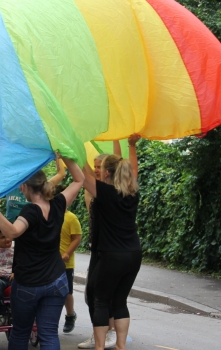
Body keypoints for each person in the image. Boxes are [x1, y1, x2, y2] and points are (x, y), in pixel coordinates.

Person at [0, 155, 84, 350]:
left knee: (21, 332)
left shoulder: (30, 211)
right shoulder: (58, 204)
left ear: (24, 186)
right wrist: (65, 155)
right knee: (48, 333)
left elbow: (13, 232)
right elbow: (79, 179)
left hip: (28, 283)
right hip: (57, 279)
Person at [82, 135, 142, 350]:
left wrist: (72, 151)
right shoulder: (132, 193)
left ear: (107, 173)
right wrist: (131, 146)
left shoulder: (105, 192)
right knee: (120, 302)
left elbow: (81, 173)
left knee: (100, 300)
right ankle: (120, 346)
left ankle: (99, 346)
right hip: (134, 254)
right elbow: (131, 171)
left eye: (101, 168)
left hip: (111, 255)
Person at [5, 156, 66, 222]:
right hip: (9, 229)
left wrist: (57, 155)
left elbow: (61, 174)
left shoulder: (39, 186)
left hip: (31, 229)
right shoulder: (10, 186)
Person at [57, 188, 82, 334]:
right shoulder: (48, 215)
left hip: (65, 263)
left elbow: (77, 238)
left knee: (66, 292)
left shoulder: (71, 218)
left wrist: (67, 253)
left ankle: (70, 315)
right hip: (49, 262)